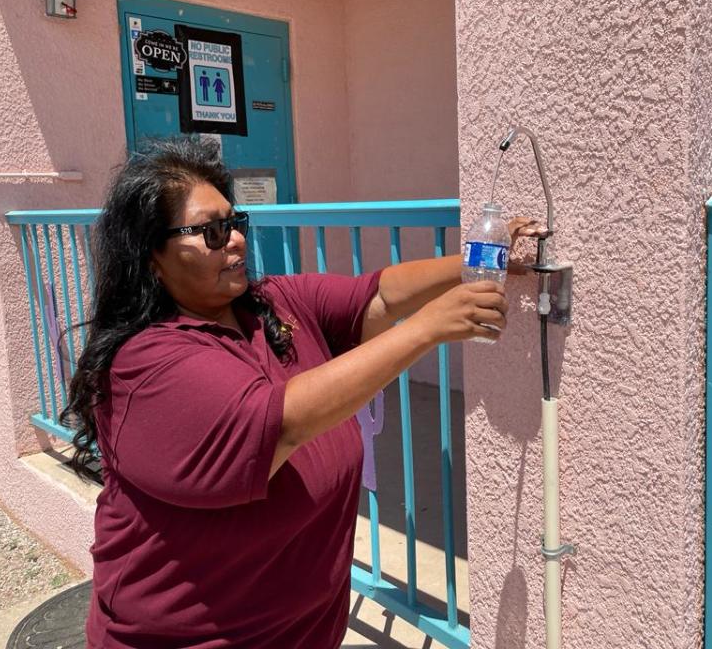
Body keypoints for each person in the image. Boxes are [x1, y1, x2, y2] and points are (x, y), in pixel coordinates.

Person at [65, 136, 544, 648]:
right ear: (152, 257)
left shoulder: (273, 303)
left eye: (234, 223)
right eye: (210, 232)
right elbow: (279, 424)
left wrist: (483, 260)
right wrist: (428, 328)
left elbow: (378, 294)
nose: (234, 240)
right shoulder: (144, 364)